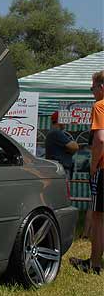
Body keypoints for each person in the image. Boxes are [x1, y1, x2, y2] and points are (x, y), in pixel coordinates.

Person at [71, 71, 104, 275]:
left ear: (101, 87)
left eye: (92, 88)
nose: (92, 93)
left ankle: (94, 264)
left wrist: (93, 166)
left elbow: (100, 139)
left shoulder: (100, 106)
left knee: (99, 218)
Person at [45, 111, 79, 178]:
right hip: (60, 169)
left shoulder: (53, 132)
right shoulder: (56, 133)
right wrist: (70, 150)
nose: (66, 122)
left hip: (57, 168)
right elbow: (75, 147)